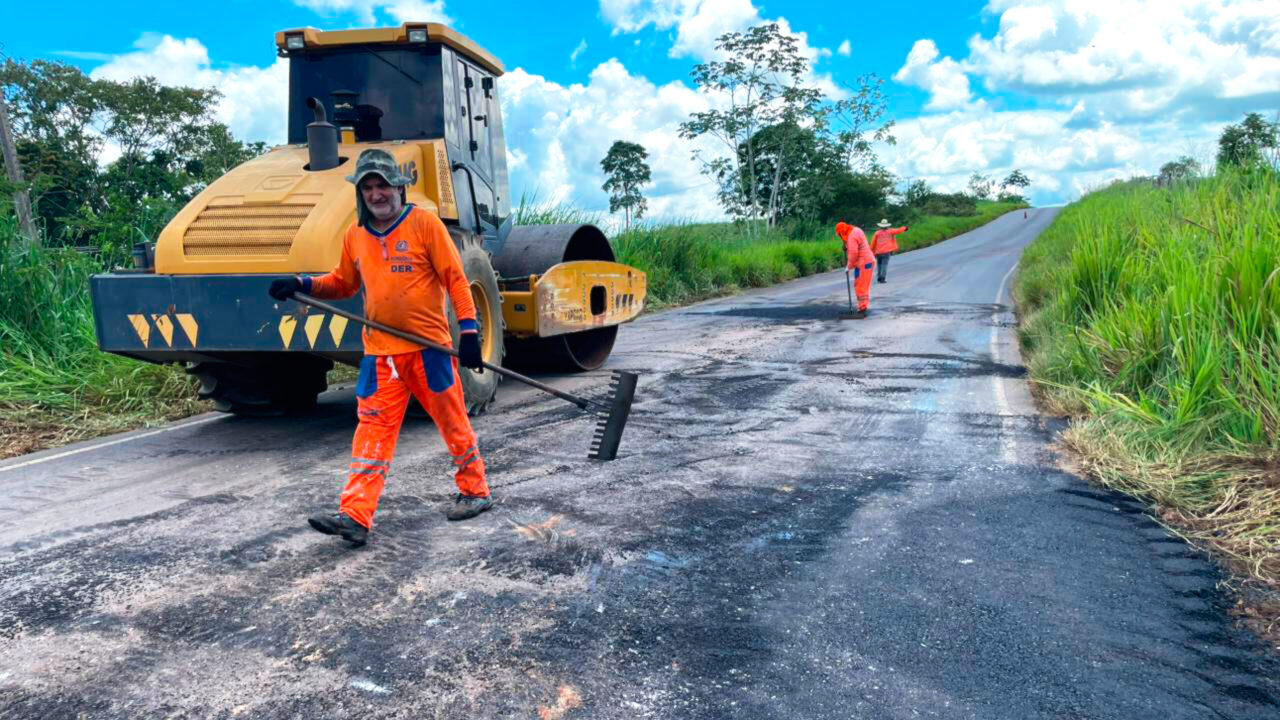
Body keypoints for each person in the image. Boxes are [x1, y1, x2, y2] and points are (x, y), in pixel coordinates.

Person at [268, 148, 493, 547]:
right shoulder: (356, 235)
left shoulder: (425, 224)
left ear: (399, 187)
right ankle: (355, 515)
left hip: (430, 351)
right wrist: (302, 284)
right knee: (371, 433)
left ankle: (475, 491)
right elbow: (343, 284)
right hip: (381, 355)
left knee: (452, 421)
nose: (376, 194)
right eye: (369, 187)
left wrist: (470, 331)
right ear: (361, 194)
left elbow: (456, 280)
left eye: (383, 185)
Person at [836, 221, 875, 319]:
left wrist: (848, 267)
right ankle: (862, 307)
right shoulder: (856, 230)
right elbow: (855, 245)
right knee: (859, 284)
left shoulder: (851, 236)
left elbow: (853, 254)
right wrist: (846, 245)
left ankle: (862, 309)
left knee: (861, 286)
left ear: (842, 232)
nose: (840, 237)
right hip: (865, 262)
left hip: (864, 263)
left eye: (840, 234)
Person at [870, 219, 908, 284]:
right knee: (884, 265)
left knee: (879, 265)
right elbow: (899, 230)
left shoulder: (877, 233)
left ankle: (879, 277)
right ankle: (882, 278)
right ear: (887, 226)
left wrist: (871, 251)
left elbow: (873, 243)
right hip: (886, 252)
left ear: (880, 226)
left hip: (878, 252)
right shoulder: (891, 231)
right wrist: (905, 228)